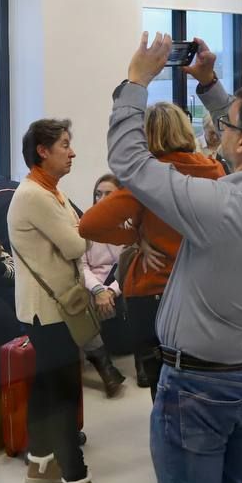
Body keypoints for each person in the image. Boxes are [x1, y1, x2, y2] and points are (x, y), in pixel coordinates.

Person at [107, 33, 242, 483]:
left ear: (241, 142)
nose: (219, 128)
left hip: (199, 389)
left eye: (228, 125)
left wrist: (136, 80)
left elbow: (129, 161)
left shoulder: (218, 205)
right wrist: (210, 85)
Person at [79, 103, 227, 398]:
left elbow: (89, 225)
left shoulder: (147, 179)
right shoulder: (214, 170)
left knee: (162, 386)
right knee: (201, 378)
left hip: (154, 288)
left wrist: (136, 235)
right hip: (203, 287)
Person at [7, 119, 108, 483]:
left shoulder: (50, 191)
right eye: (65, 144)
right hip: (48, 311)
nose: (73, 152)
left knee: (47, 386)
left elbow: (77, 231)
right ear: (42, 151)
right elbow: (76, 245)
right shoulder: (35, 195)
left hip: (46, 308)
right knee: (64, 392)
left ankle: (40, 462)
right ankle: (76, 481)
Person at [79, 175, 127, 399]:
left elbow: (129, 267)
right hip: (94, 286)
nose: (102, 198)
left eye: (108, 194)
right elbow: (82, 266)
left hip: (120, 286)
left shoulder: (130, 224)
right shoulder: (86, 224)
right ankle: (108, 371)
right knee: (78, 303)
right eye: (98, 194)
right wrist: (99, 290)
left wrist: (110, 291)